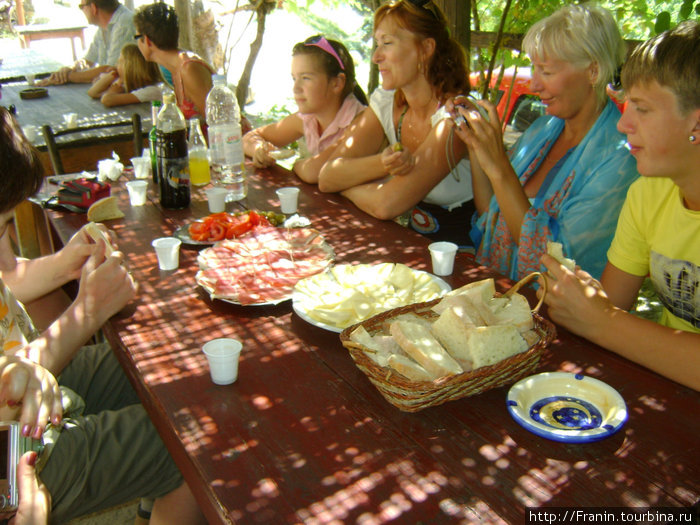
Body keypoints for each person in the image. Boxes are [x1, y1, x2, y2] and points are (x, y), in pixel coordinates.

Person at [0, 107, 206, 524]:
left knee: (163, 368)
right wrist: (85, 314)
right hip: (12, 458)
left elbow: (7, 276)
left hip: (24, 375)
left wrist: (65, 264)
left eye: (4, 227)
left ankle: (149, 505)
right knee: (190, 440)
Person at [540, 21, 700, 391]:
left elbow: (608, 322)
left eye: (641, 109)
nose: (623, 123)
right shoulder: (649, 193)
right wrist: (580, 301)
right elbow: (610, 305)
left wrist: (604, 321)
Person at [454, 4, 639, 280]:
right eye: (534, 69)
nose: (534, 85)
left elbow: (554, 262)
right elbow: (492, 215)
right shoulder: (543, 130)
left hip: (553, 315)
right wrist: (477, 144)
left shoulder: (619, 158)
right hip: (498, 298)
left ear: (594, 71)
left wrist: (499, 165)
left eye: (547, 71)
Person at [317, 0, 474, 247]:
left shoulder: (456, 116)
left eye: (387, 44)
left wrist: (346, 185)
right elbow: (327, 176)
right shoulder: (388, 104)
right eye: (377, 45)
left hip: (465, 259)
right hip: (410, 246)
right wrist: (383, 164)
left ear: (426, 48)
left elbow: (386, 204)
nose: (376, 57)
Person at [242, 35, 367, 183]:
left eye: (306, 78)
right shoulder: (309, 118)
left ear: (336, 83)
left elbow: (313, 172)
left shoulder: (360, 121)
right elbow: (247, 138)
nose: (296, 88)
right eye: (294, 78)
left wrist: (296, 165)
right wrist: (259, 149)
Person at [134, 2, 213, 120]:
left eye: (137, 38)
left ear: (147, 41)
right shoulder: (173, 67)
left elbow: (217, 122)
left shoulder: (189, 69)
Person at [38, 0, 134, 86]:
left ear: (93, 8)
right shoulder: (104, 26)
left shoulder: (124, 23)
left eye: (82, 6)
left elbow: (111, 70)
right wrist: (71, 68)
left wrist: (68, 77)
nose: (82, 10)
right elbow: (88, 60)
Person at [87, 43, 162, 107]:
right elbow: (92, 92)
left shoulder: (152, 90)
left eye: (120, 63)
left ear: (130, 69)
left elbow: (107, 100)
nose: (116, 65)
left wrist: (112, 92)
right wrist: (112, 75)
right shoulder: (127, 85)